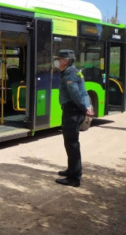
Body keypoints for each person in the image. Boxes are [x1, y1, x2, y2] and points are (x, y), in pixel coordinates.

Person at [53, 49, 94, 187]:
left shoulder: (70, 74)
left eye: (59, 59)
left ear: (65, 61)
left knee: (72, 144)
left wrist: (84, 107)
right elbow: (84, 91)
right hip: (74, 111)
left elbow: (76, 94)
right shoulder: (75, 71)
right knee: (70, 143)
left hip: (72, 112)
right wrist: (87, 106)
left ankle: (74, 178)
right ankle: (71, 170)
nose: (57, 61)